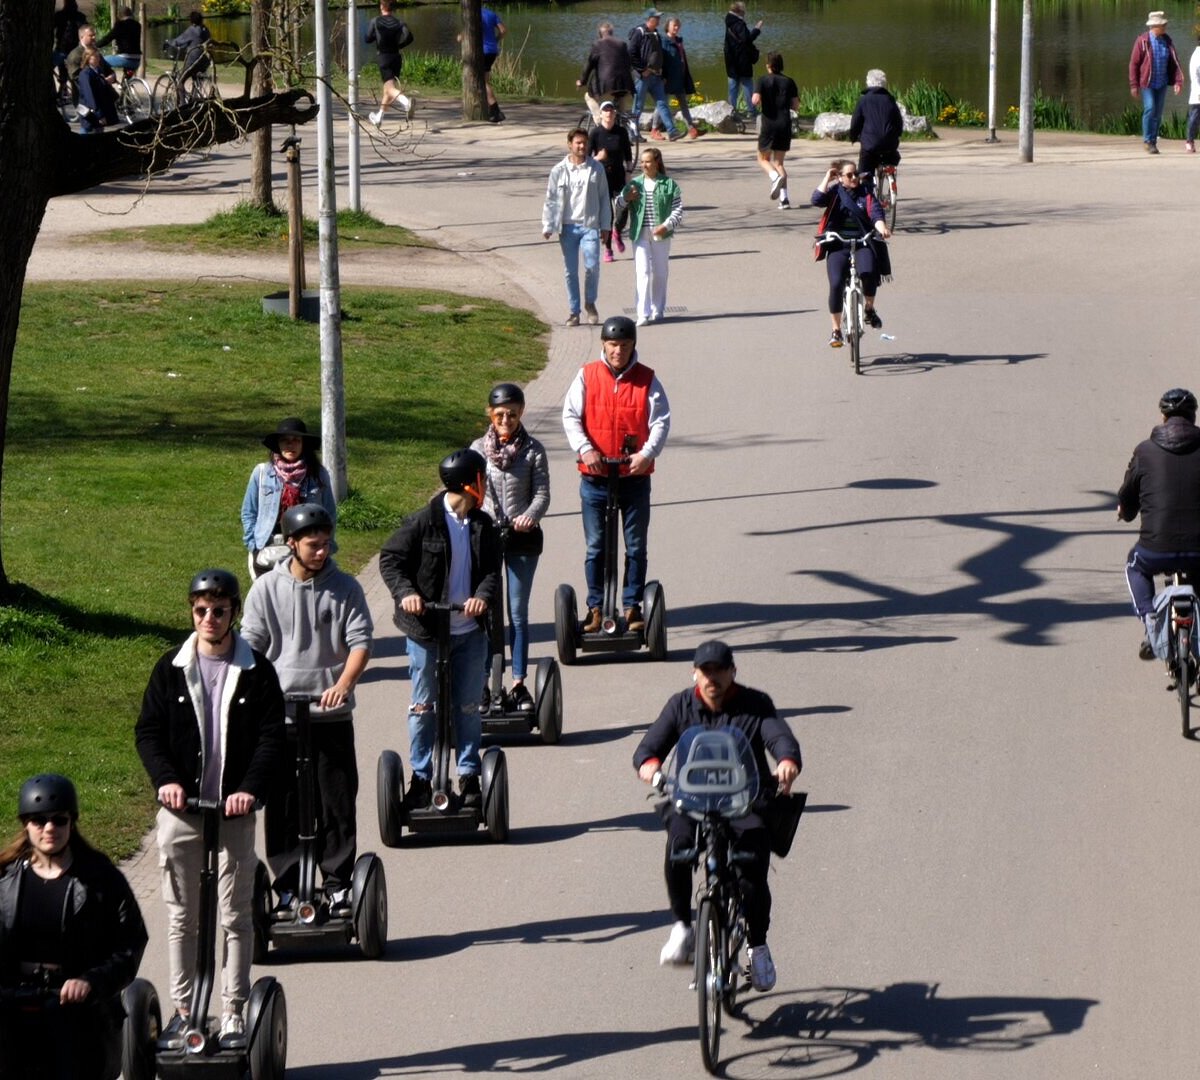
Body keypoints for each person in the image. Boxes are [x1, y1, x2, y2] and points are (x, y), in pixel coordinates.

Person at [135, 569, 285, 1050]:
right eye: (201, 610)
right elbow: (149, 732)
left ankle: (234, 1011)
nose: (210, 619)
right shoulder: (170, 667)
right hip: (182, 813)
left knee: (235, 916)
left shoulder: (257, 670)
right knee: (182, 917)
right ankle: (183, 1011)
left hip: (234, 812)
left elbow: (270, 737)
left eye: (219, 610)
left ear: (233, 614)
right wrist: (166, 782)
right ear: (191, 612)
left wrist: (249, 789)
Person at [633, 641, 801, 990]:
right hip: (692, 803)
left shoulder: (755, 704)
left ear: (732, 672)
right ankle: (683, 927)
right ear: (695, 673)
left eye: (719, 670)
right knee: (678, 848)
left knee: (752, 870)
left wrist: (786, 762)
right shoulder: (681, 705)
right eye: (705, 671)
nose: (712, 678)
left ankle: (758, 946)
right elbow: (648, 750)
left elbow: (779, 738)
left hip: (744, 803)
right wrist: (652, 769)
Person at [241, 505, 373, 918]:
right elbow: (252, 649)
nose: (322, 551)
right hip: (281, 720)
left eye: (326, 544)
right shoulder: (265, 590)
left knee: (336, 802)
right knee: (282, 804)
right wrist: (258, 696)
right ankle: (286, 886)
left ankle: (337, 885)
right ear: (292, 544)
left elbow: (360, 643)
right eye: (313, 545)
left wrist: (343, 685)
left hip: (329, 714)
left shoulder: (346, 587)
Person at [0, 774, 148, 1080]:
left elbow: (131, 943)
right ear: (26, 824)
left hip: (80, 1012)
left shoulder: (100, 879)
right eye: (39, 821)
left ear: (72, 822)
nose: (50, 828)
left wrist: (92, 981)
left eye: (59, 819)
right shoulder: (5, 880)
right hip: (13, 1005)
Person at [379, 450, 501, 810]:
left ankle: (468, 774)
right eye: (480, 479)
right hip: (427, 631)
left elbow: (492, 572)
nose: (483, 486)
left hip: (468, 630)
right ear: (469, 482)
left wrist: (481, 596)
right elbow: (390, 559)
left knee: (467, 706)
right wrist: (407, 594)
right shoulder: (423, 522)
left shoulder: (483, 525)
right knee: (423, 706)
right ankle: (420, 777)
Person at [561, 315, 671, 633]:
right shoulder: (587, 376)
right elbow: (570, 415)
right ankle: (595, 608)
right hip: (595, 477)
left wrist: (646, 454)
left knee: (635, 547)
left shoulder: (647, 379)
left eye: (624, 345)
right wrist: (585, 449)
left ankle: (632, 607)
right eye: (612, 345)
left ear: (633, 345)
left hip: (634, 478)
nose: (618, 351)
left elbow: (661, 421)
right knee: (596, 546)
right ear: (603, 345)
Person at [470, 384, 551, 714]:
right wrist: (482, 518)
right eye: (500, 414)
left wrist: (528, 517)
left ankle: (517, 683)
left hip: (521, 539)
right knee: (487, 615)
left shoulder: (533, 451)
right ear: (490, 413)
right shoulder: (477, 450)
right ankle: (485, 683)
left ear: (521, 413)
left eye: (512, 414)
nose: (506, 419)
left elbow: (542, 495)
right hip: (488, 538)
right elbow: (471, 494)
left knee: (517, 613)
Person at [1117, 389, 1200, 654]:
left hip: (1155, 550)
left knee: (1135, 566)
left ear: (1163, 417)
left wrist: (1126, 512)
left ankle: (1150, 618)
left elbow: (1128, 495)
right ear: (1193, 417)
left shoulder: (1144, 451)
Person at [241, 417, 337, 580]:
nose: (290, 445)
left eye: (295, 440)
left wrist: (323, 545)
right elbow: (249, 512)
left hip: (306, 548)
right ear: (277, 445)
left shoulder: (318, 474)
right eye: (285, 441)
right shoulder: (262, 473)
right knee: (268, 600)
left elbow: (329, 514)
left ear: (303, 444)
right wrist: (253, 545)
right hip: (267, 549)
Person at [812, 159, 892, 348]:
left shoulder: (866, 193)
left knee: (869, 274)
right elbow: (816, 200)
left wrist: (882, 228)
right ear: (839, 177)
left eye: (855, 174)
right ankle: (836, 330)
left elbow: (876, 214)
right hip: (838, 245)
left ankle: (869, 309)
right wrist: (826, 178)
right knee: (837, 283)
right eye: (849, 175)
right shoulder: (834, 193)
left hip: (863, 242)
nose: (854, 177)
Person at [541, 127, 613, 327]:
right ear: (570, 145)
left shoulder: (595, 168)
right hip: (567, 228)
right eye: (578, 143)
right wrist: (548, 225)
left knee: (592, 266)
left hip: (589, 225)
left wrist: (606, 226)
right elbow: (551, 199)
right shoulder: (558, 171)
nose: (582, 146)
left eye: (584, 143)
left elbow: (604, 198)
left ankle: (590, 302)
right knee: (570, 271)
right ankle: (574, 312)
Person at [615, 146, 683, 326]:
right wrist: (626, 198)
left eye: (648, 161)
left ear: (656, 163)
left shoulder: (669, 184)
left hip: (661, 234)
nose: (644, 165)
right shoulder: (634, 184)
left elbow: (678, 210)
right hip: (640, 234)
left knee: (660, 272)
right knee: (642, 272)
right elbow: (618, 204)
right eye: (642, 162)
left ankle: (657, 309)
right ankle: (642, 313)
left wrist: (666, 225)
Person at [1129, 11, 1182, 154]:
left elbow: (1174, 62)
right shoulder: (1142, 41)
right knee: (1150, 108)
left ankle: (1153, 142)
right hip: (1147, 83)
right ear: (1155, 26)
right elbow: (1134, 64)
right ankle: (1147, 140)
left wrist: (1178, 81)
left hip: (1162, 83)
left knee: (1158, 113)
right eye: (1163, 24)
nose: (1165, 26)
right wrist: (1134, 85)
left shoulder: (1167, 41)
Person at [752, 52, 800, 208]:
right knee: (779, 163)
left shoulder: (763, 80)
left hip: (769, 124)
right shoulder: (789, 82)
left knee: (762, 159)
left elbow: (755, 100)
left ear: (768, 66)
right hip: (784, 124)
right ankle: (784, 200)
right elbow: (795, 105)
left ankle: (774, 177)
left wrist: (757, 101)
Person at [589, 101, 634, 263]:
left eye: (611, 111)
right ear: (600, 114)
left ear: (615, 114)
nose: (608, 114)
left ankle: (617, 231)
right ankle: (608, 249)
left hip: (619, 175)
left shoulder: (621, 132)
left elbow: (628, 155)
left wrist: (629, 172)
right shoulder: (595, 134)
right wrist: (598, 158)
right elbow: (586, 160)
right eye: (605, 111)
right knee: (607, 213)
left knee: (624, 207)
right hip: (602, 178)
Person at [849, 69, 903, 190]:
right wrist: (897, 134)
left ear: (868, 83)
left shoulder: (864, 100)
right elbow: (898, 121)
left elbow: (856, 122)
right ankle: (891, 182)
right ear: (884, 83)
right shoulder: (890, 99)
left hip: (870, 144)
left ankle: (867, 194)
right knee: (891, 160)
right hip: (890, 144)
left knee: (865, 170)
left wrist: (853, 137)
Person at [629, 7, 677, 140]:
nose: (660, 20)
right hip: (642, 77)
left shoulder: (655, 33)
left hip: (656, 76)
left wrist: (663, 74)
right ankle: (633, 134)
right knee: (638, 107)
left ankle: (672, 131)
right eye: (657, 18)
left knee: (662, 103)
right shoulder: (639, 32)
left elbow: (660, 55)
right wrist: (641, 70)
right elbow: (631, 54)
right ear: (651, 19)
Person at [366, 0, 415, 127]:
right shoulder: (399, 22)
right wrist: (400, 45)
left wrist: (375, 37)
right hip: (396, 58)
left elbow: (367, 38)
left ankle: (406, 102)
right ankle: (379, 117)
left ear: (382, 6)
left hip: (384, 57)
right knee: (388, 90)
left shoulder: (375, 21)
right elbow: (410, 37)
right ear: (392, 8)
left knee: (390, 88)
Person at [577, 21, 635, 122]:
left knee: (589, 96)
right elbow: (629, 64)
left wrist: (582, 81)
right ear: (612, 33)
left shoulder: (597, 44)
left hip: (606, 84)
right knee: (620, 96)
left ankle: (599, 120)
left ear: (600, 34)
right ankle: (621, 120)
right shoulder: (622, 44)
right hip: (624, 83)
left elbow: (589, 65)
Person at [724, 2, 763, 119]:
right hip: (742, 60)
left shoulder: (729, 22)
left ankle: (731, 111)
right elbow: (747, 40)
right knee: (747, 85)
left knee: (733, 86)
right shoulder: (739, 24)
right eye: (744, 11)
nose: (745, 13)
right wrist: (757, 29)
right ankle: (751, 110)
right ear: (739, 11)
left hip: (731, 60)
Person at [662, 18, 700, 140]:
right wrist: (663, 76)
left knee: (683, 103)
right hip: (668, 78)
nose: (676, 28)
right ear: (667, 26)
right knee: (662, 103)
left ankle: (691, 129)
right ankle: (654, 129)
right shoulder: (664, 41)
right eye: (674, 26)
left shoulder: (678, 41)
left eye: (678, 26)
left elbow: (682, 58)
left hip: (680, 77)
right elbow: (662, 60)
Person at [77, 48, 119, 133]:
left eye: (98, 56)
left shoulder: (98, 71)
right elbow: (89, 96)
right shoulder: (85, 74)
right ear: (88, 58)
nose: (98, 58)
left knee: (98, 132)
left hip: (97, 110)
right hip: (88, 112)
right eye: (95, 56)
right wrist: (99, 115)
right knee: (86, 131)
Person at [165, 11, 212, 79]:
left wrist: (168, 42)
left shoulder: (192, 30)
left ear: (192, 21)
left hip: (194, 61)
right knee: (196, 75)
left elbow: (179, 41)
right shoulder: (205, 29)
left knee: (181, 80)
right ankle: (196, 89)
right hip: (205, 61)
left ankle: (181, 88)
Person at [98, 7, 142, 78]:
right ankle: (126, 86)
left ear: (119, 15)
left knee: (101, 60)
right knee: (127, 78)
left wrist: (96, 45)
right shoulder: (137, 25)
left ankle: (108, 79)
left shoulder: (120, 25)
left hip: (125, 58)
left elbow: (108, 38)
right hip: (137, 59)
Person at [481, 4, 506, 123]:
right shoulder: (490, 13)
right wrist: (495, 40)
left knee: (483, 82)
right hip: (492, 50)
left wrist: (461, 37)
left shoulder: (473, 15)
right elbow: (503, 30)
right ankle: (489, 110)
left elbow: (469, 31)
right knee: (485, 80)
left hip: (482, 51)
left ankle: (495, 110)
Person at [1187, 33, 1200, 153]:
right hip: (1198, 93)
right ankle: (1190, 141)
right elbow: (1195, 76)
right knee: (1194, 118)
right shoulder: (1197, 56)